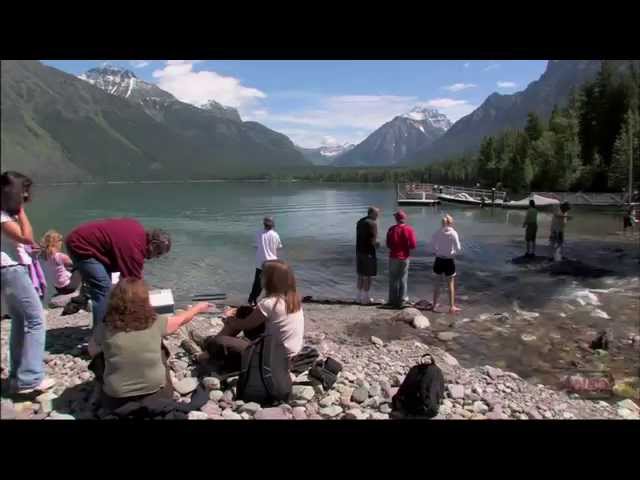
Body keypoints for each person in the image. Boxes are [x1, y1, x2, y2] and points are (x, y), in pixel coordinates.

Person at [97, 278, 212, 411]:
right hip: (157, 394)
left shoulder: (104, 327)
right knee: (161, 348)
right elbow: (181, 319)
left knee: (102, 354)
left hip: (115, 401)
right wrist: (198, 307)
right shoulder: (156, 322)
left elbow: (92, 350)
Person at [65, 218, 171, 355]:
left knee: (110, 287)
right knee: (103, 289)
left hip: (94, 246)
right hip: (81, 246)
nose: (155, 258)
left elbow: (125, 280)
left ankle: (109, 321)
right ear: (153, 245)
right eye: (158, 253)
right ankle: (100, 339)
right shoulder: (134, 249)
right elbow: (134, 284)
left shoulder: (137, 235)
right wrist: (149, 313)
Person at [1, 171, 55, 394]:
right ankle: (30, 378)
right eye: (23, 192)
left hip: (11, 270)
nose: (26, 196)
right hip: (11, 270)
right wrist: (21, 211)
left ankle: (17, 376)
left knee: (21, 322)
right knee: (36, 320)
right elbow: (26, 236)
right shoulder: (4, 216)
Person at [197, 260, 304, 368]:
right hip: (288, 352)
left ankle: (209, 350)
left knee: (220, 341)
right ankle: (211, 347)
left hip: (272, 358)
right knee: (244, 311)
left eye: (263, 274)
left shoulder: (269, 303)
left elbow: (242, 325)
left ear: (270, 280)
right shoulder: (293, 300)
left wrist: (226, 317)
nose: (260, 276)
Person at [429, 214, 462, 314]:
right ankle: (451, 307)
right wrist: (452, 253)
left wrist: (437, 251)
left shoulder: (437, 232)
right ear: (450, 222)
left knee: (437, 284)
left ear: (442, 223)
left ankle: (434, 305)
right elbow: (458, 248)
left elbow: (432, 245)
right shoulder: (453, 233)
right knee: (450, 284)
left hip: (439, 259)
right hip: (449, 260)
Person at [248, 216, 283, 306]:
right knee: (270, 284)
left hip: (261, 263)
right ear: (273, 225)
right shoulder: (275, 235)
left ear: (264, 224)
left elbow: (255, 246)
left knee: (257, 284)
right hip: (273, 263)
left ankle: (252, 300)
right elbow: (279, 247)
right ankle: (270, 302)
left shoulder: (258, 233)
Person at [386, 210, 417, 308]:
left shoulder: (391, 229)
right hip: (404, 257)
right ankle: (401, 300)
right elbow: (413, 245)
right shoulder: (409, 229)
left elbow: (388, 244)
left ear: (396, 219)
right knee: (403, 279)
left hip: (393, 256)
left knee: (393, 279)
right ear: (404, 218)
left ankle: (392, 300)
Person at [41, 230, 82, 295]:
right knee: (81, 266)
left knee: (65, 269)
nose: (62, 242)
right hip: (69, 287)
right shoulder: (60, 256)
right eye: (60, 240)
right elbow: (75, 264)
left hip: (58, 289)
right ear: (56, 242)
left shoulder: (45, 257)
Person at [356, 207, 380, 305]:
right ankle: (365, 298)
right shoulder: (372, 224)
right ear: (371, 213)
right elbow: (374, 241)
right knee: (368, 276)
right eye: (376, 214)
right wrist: (378, 245)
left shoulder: (360, 221)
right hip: (368, 253)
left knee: (360, 275)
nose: (378, 216)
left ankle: (358, 297)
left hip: (359, 251)